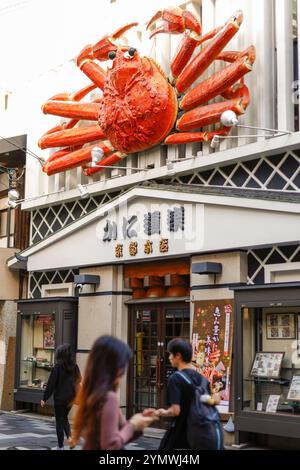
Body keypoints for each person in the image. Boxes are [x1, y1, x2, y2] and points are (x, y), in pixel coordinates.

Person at [71, 335, 157, 450]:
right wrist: (132, 425)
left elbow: (117, 435)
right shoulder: (108, 398)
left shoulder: (92, 394)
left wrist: (137, 423)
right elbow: (110, 445)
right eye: (123, 364)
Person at [154, 338, 221, 450]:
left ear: (178, 356)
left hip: (180, 434)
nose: (169, 358)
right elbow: (209, 401)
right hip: (200, 434)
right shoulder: (202, 379)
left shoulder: (175, 378)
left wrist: (162, 412)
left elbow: (175, 411)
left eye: (171, 354)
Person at [40, 343, 81, 450]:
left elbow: (51, 385)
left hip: (59, 399)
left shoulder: (57, 367)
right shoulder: (75, 367)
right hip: (70, 399)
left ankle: (61, 446)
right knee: (64, 419)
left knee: (59, 421)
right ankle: (71, 438)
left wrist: (44, 398)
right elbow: (79, 379)